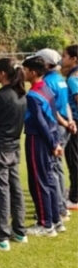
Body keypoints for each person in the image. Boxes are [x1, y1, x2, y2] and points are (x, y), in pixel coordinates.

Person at [0, 58, 28, 250]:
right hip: (13, 147)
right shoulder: (21, 95)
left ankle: (2, 236)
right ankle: (19, 231)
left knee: (0, 192)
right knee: (15, 188)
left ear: (2, 73)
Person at [22, 56, 63, 236]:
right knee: (50, 179)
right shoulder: (46, 89)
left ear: (32, 72)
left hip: (37, 139)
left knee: (39, 181)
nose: (22, 73)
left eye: (24, 70)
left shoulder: (33, 95)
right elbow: (52, 117)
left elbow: (40, 121)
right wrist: (56, 141)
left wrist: (52, 143)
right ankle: (55, 219)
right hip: (52, 136)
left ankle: (45, 223)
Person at [36, 48, 76, 220]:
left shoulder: (48, 82)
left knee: (52, 167)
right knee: (57, 166)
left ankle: (58, 208)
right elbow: (66, 104)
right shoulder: (61, 80)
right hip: (66, 125)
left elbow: (52, 110)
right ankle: (60, 205)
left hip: (57, 127)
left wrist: (66, 121)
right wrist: (70, 121)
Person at [63, 45, 78, 210]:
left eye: (65, 56)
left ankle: (74, 198)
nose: (62, 59)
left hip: (75, 122)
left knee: (74, 159)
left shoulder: (73, 78)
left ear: (74, 59)